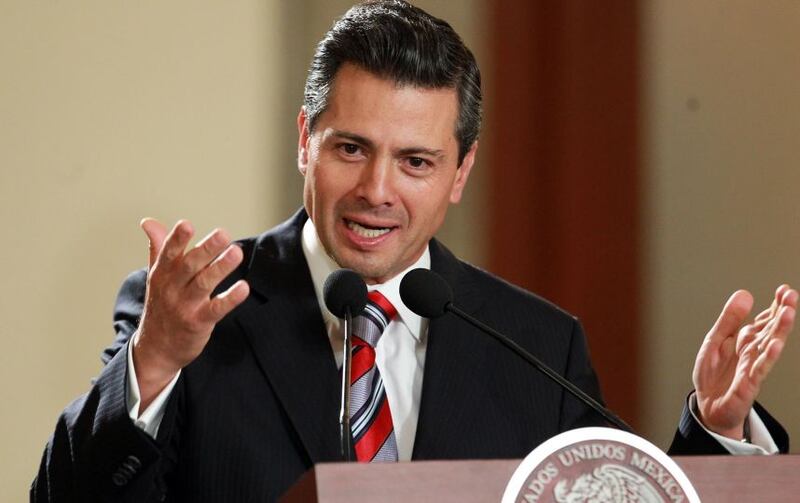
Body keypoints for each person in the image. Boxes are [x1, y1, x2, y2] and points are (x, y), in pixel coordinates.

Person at [32, 1, 795, 501]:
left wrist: (714, 430)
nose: (377, 190)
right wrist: (155, 361)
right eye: (351, 148)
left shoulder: (537, 344)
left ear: (460, 172)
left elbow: (623, 493)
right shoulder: (192, 311)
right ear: (304, 142)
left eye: (416, 162)